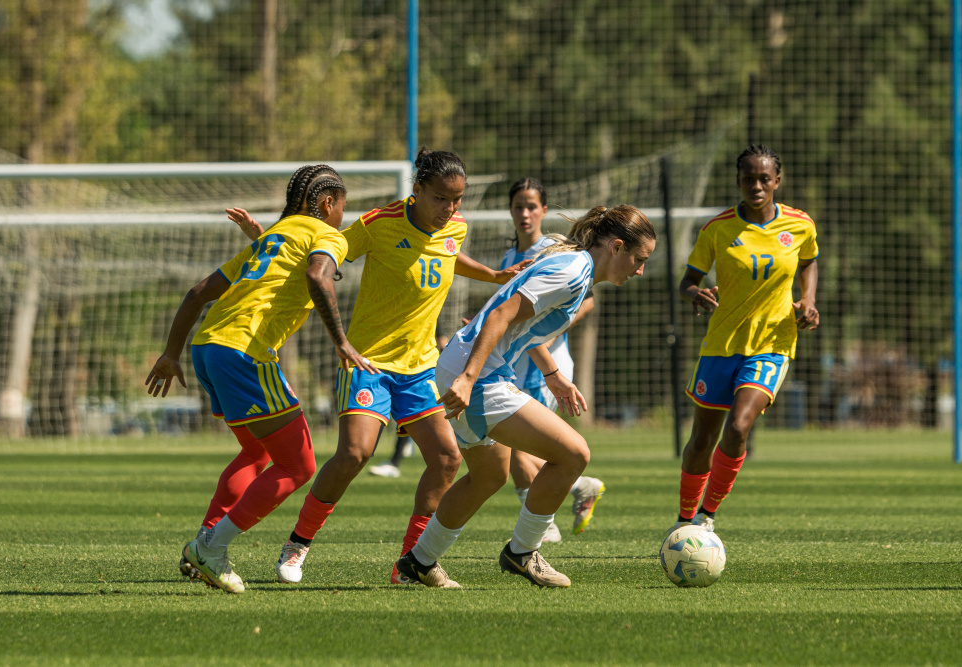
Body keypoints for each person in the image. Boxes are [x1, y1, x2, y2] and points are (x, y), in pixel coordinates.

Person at [228, 148, 529, 585]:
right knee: (355, 453)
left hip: (422, 368)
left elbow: (446, 256)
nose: (451, 209)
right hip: (367, 361)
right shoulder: (379, 223)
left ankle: (410, 563)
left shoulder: (456, 228)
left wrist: (493, 275)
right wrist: (267, 240)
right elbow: (324, 249)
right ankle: (297, 544)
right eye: (442, 198)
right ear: (418, 189)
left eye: (457, 200)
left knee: (446, 460)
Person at [396, 205, 656, 588]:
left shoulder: (574, 266)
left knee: (487, 477)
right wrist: (469, 378)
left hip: (466, 363)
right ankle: (522, 552)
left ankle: (418, 562)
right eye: (639, 259)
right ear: (616, 247)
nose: (640, 270)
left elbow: (522, 322)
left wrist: (552, 374)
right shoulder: (572, 271)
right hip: (476, 373)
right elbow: (502, 314)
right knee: (574, 454)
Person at [146, 164, 373, 594]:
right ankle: (210, 548)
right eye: (342, 207)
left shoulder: (272, 237)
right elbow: (315, 275)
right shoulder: (329, 236)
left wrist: (170, 353)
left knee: (254, 451)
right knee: (298, 464)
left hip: (206, 348)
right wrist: (341, 341)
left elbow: (198, 294)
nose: (343, 216)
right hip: (244, 353)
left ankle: (205, 541)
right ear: (328, 204)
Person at [665, 144, 819, 537]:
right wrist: (693, 293)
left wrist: (808, 302)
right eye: (748, 178)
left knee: (738, 427)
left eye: (764, 178)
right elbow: (688, 281)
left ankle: (706, 516)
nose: (756, 185)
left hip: (772, 343)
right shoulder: (717, 228)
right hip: (720, 345)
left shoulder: (800, 225)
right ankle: (684, 522)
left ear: (777, 182)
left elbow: (808, 260)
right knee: (701, 439)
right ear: (738, 181)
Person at [500, 177, 604, 542]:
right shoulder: (509, 257)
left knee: (516, 448)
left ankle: (545, 522)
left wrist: (552, 326)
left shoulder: (553, 249)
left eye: (532, 206)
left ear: (544, 210)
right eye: (518, 206)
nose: (525, 213)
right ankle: (576, 490)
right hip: (515, 363)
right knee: (512, 447)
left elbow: (588, 299)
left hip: (547, 367)